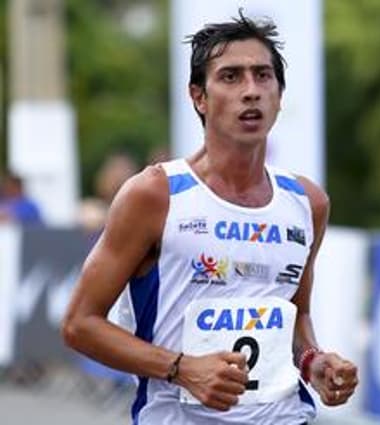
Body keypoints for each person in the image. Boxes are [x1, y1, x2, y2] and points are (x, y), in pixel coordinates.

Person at [62, 13, 358, 425]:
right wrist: (181, 367)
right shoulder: (155, 194)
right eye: (231, 77)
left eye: (263, 76)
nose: (251, 91)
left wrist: (313, 361)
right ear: (199, 97)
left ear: (279, 94)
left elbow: (294, 313)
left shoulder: (307, 202)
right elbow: (80, 324)